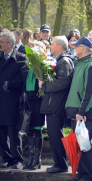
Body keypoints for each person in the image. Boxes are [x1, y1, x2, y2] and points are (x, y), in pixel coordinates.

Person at [65, 37, 92, 181]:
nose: (74, 48)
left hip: (84, 112)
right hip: (77, 110)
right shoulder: (80, 63)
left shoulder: (91, 65)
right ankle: (81, 172)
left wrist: (81, 111)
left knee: (84, 145)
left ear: (83, 49)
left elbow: (90, 92)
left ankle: (90, 175)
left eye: (76, 46)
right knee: (78, 145)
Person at [38, 36, 74, 173]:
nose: (49, 46)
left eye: (52, 44)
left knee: (56, 136)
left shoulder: (64, 61)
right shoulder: (58, 59)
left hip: (56, 104)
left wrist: (44, 85)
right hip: (53, 103)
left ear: (59, 47)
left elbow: (62, 83)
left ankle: (61, 164)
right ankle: (60, 162)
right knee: (54, 135)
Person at [0, 30, 27, 169]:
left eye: (1, 42)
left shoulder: (21, 58)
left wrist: (11, 84)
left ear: (10, 44)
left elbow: (23, 79)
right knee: (1, 131)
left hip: (14, 100)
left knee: (14, 131)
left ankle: (17, 159)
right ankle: (6, 158)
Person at [22, 44, 46, 170]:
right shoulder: (28, 66)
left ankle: (37, 159)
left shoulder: (43, 66)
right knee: (29, 129)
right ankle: (31, 158)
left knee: (37, 129)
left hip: (38, 101)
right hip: (29, 100)